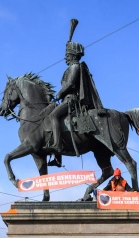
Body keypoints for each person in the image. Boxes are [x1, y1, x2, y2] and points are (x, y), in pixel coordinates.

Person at [47, 20, 103, 168]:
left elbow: (70, 85)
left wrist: (58, 95)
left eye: (67, 54)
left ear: (72, 55)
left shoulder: (74, 67)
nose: (65, 56)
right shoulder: (72, 67)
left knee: (53, 116)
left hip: (71, 101)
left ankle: (57, 146)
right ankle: (57, 158)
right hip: (67, 100)